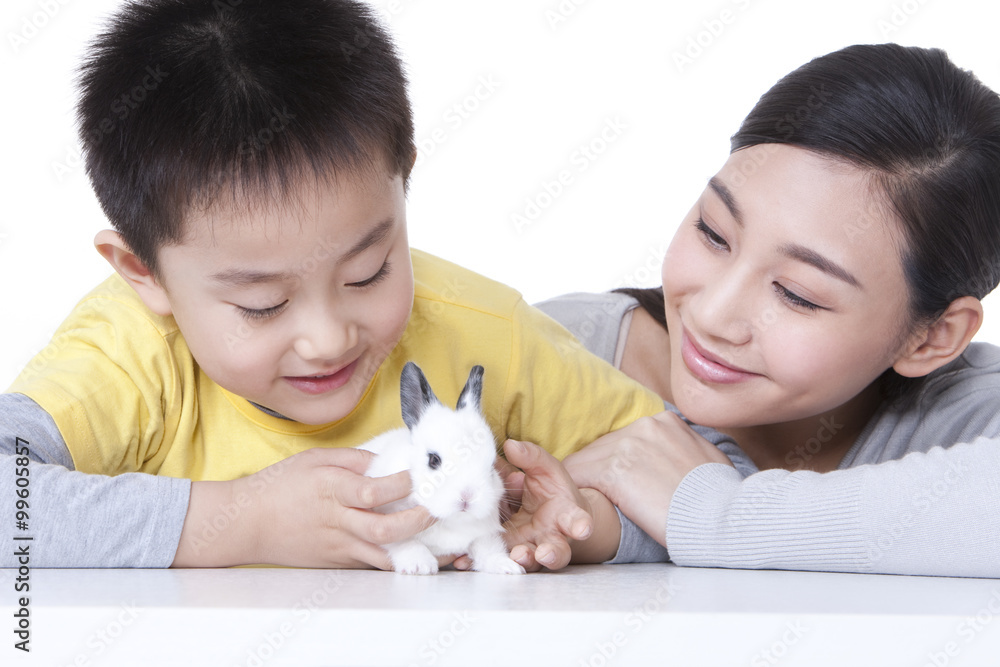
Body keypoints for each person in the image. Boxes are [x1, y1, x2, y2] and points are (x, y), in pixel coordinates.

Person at [0, 0, 665, 569]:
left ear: (402, 181)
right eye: (262, 304)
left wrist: (591, 525)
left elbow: (700, 474)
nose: (326, 339)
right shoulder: (131, 350)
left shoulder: (485, 332)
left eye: (368, 272)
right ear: (144, 273)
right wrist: (243, 518)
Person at [501, 43, 1000, 578]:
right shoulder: (536, 352)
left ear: (931, 338)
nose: (712, 315)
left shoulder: (963, 417)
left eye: (797, 293)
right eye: (714, 233)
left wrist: (711, 512)